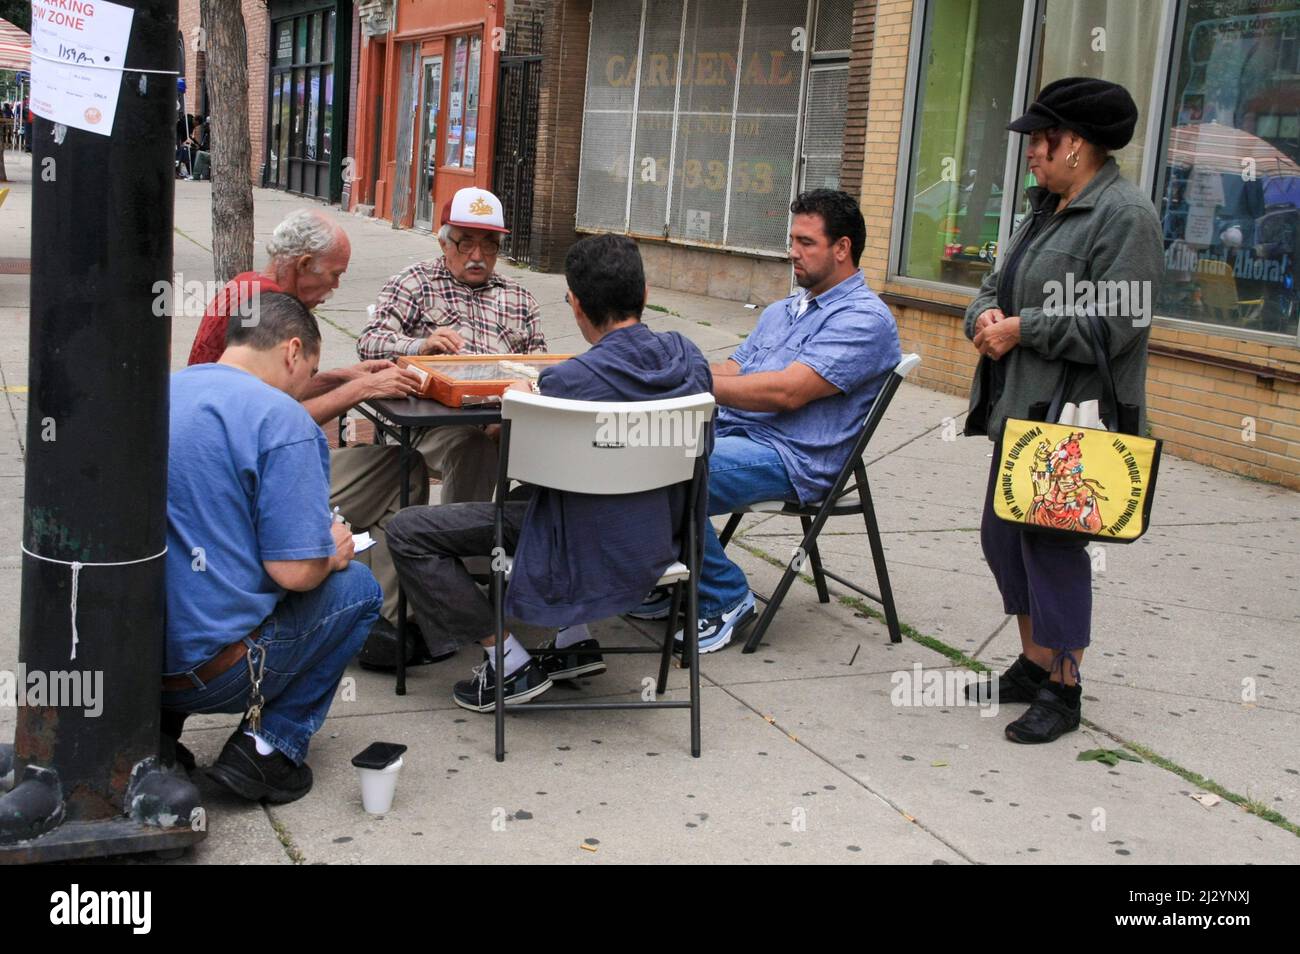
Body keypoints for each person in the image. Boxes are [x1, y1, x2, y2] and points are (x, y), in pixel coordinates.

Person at [385, 234, 713, 711]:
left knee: (408, 531)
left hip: (578, 541)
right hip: (660, 538)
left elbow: (518, 465)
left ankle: (509, 663)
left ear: (576, 305)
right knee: (543, 497)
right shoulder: (691, 362)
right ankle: (573, 640)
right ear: (643, 295)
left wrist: (522, 399)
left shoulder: (565, 384)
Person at [961, 77, 1163, 744]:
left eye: (1038, 141)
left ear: (1074, 143)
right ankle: (1033, 660)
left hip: (1072, 418)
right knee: (1003, 538)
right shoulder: (1044, 208)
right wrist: (984, 315)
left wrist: (1023, 329)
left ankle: (1065, 687)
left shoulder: (1125, 216)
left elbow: (1120, 322)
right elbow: (993, 283)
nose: (1029, 153)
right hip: (1018, 409)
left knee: (1051, 548)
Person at [629, 190, 901, 654]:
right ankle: (676, 577)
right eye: (792, 239)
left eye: (806, 242)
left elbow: (786, 393)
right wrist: (664, 373)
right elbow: (734, 370)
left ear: (843, 248)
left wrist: (688, 378)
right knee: (622, 450)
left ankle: (724, 597)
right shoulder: (783, 310)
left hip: (792, 458)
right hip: (737, 433)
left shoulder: (864, 320)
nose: (792, 251)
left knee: (657, 474)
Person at [186, 209, 433, 666]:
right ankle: (382, 620)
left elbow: (279, 389)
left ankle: (381, 614)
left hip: (222, 468)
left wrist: (345, 375)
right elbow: (283, 421)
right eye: (334, 275)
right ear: (303, 265)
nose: (336, 287)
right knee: (402, 469)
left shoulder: (250, 288)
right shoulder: (270, 308)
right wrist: (360, 388)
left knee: (399, 466)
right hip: (247, 483)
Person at [162, 292, 382, 803]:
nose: (307, 382)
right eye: (311, 369)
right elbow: (295, 573)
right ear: (292, 351)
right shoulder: (283, 420)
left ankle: (158, 737)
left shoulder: (162, 393)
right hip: (214, 672)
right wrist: (332, 551)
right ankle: (267, 749)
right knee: (360, 589)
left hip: (133, 663)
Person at [356, 186, 546, 504]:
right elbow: (369, 344)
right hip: (431, 424)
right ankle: (463, 549)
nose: (477, 256)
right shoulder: (414, 283)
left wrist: (515, 413)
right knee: (472, 446)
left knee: (562, 443)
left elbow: (541, 365)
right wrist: (420, 346)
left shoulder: (520, 298)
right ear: (444, 242)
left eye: (489, 246)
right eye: (465, 243)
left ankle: (530, 543)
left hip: (503, 418)